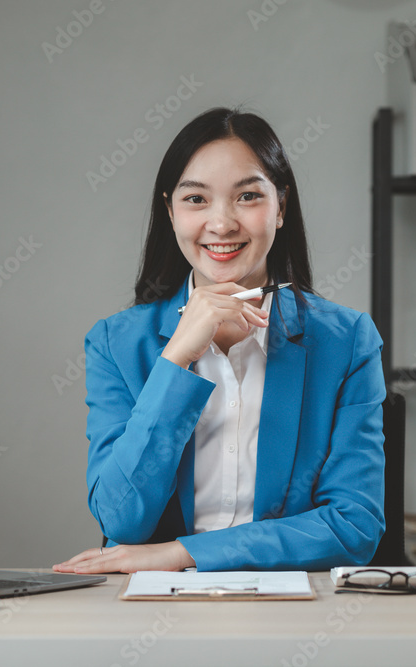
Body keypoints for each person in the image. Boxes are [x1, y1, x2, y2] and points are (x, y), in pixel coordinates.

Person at [53, 107, 385, 574]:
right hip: (152, 614)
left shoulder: (346, 341)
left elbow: (354, 527)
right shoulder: (116, 343)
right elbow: (120, 519)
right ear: (169, 211)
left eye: (248, 196)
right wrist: (175, 361)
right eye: (196, 200)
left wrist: (181, 553)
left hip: (292, 610)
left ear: (281, 206)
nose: (223, 223)